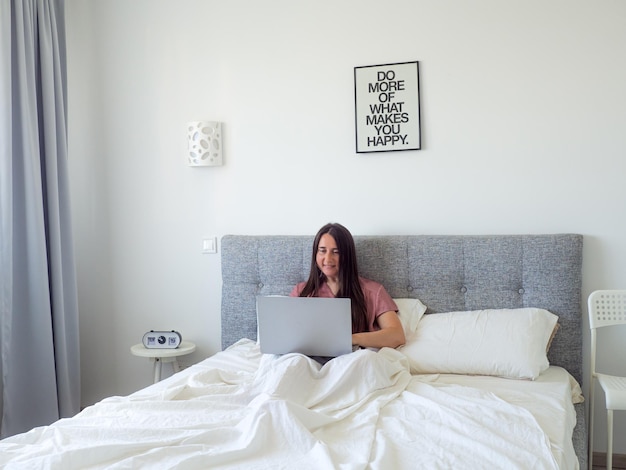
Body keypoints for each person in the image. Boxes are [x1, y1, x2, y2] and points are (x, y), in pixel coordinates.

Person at [290, 223, 405, 350]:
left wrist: (350, 339)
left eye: (336, 252)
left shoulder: (373, 291)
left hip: (352, 357)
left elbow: (396, 335)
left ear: (347, 256)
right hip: (310, 358)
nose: (328, 259)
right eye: (322, 251)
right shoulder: (301, 292)